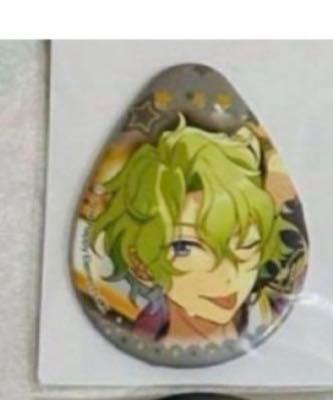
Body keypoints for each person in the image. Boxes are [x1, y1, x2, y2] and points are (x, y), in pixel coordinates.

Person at [83, 119, 301, 345]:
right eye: (185, 247)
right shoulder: (134, 336)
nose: (228, 276)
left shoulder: (279, 319)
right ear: (140, 264)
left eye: (247, 244)